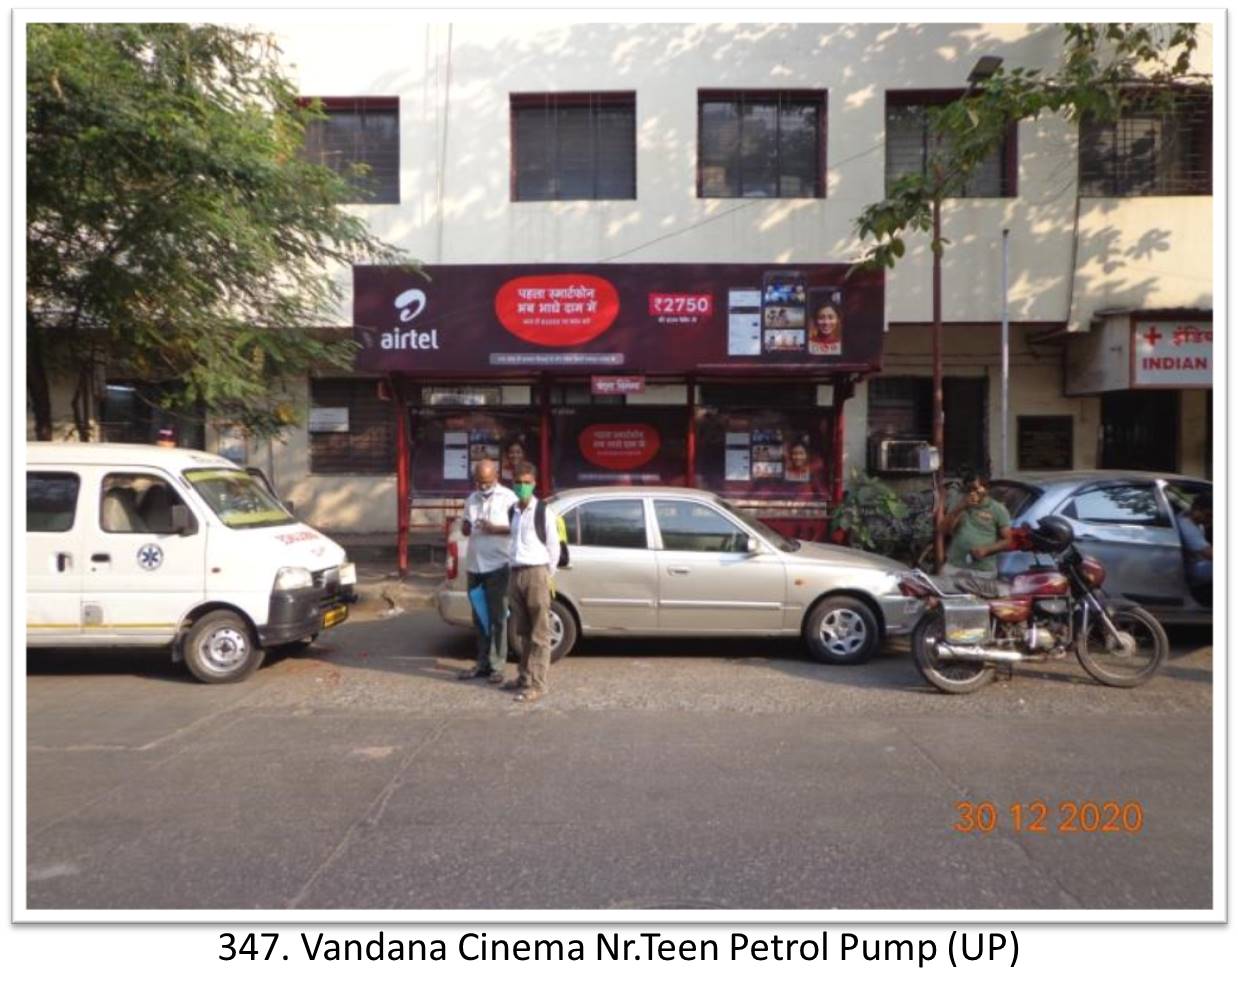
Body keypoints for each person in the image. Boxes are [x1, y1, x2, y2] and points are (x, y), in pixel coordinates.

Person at [504, 462, 560, 703]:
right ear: (513, 483)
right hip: (516, 573)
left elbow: (554, 547)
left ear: (534, 483)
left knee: (540, 632)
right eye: (519, 482)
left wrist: (547, 575)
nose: (522, 487)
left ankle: (538, 684)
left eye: (527, 482)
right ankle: (524, 676)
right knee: (523, 631)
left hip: (536, 573)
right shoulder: (512, 511)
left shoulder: (543, 511)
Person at [457, 459, 517, 683]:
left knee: (498, 618)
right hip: (475, 566)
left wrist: (495, 529)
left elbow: (518, 528)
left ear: (496, 477)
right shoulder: (471, 499)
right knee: (480, 618)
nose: (482, 486)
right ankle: (482, 663)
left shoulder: (509, 498)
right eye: (479, 482)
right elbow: (465, 526)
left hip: (498, 566)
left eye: (487, 482)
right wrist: (465, 526)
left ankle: (498, 666)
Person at [943, 473, 1013, 577]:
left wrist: (987, 550)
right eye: (968, 489)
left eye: (975, 489)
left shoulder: (997, 509)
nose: (972, 493)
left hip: (982, 570)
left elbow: (1008, 540)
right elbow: (945, 530)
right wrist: (960, 508)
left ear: (985, 488)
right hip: (955, 566)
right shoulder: (960, 504)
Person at [1176, 492, 1212, 606]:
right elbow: (1209, 554)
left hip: (1198, 563)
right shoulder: (1187, 526)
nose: (1210, 520)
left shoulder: (1196, 522)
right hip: (1191, 570)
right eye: (1208, 515)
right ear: (1196, 509)